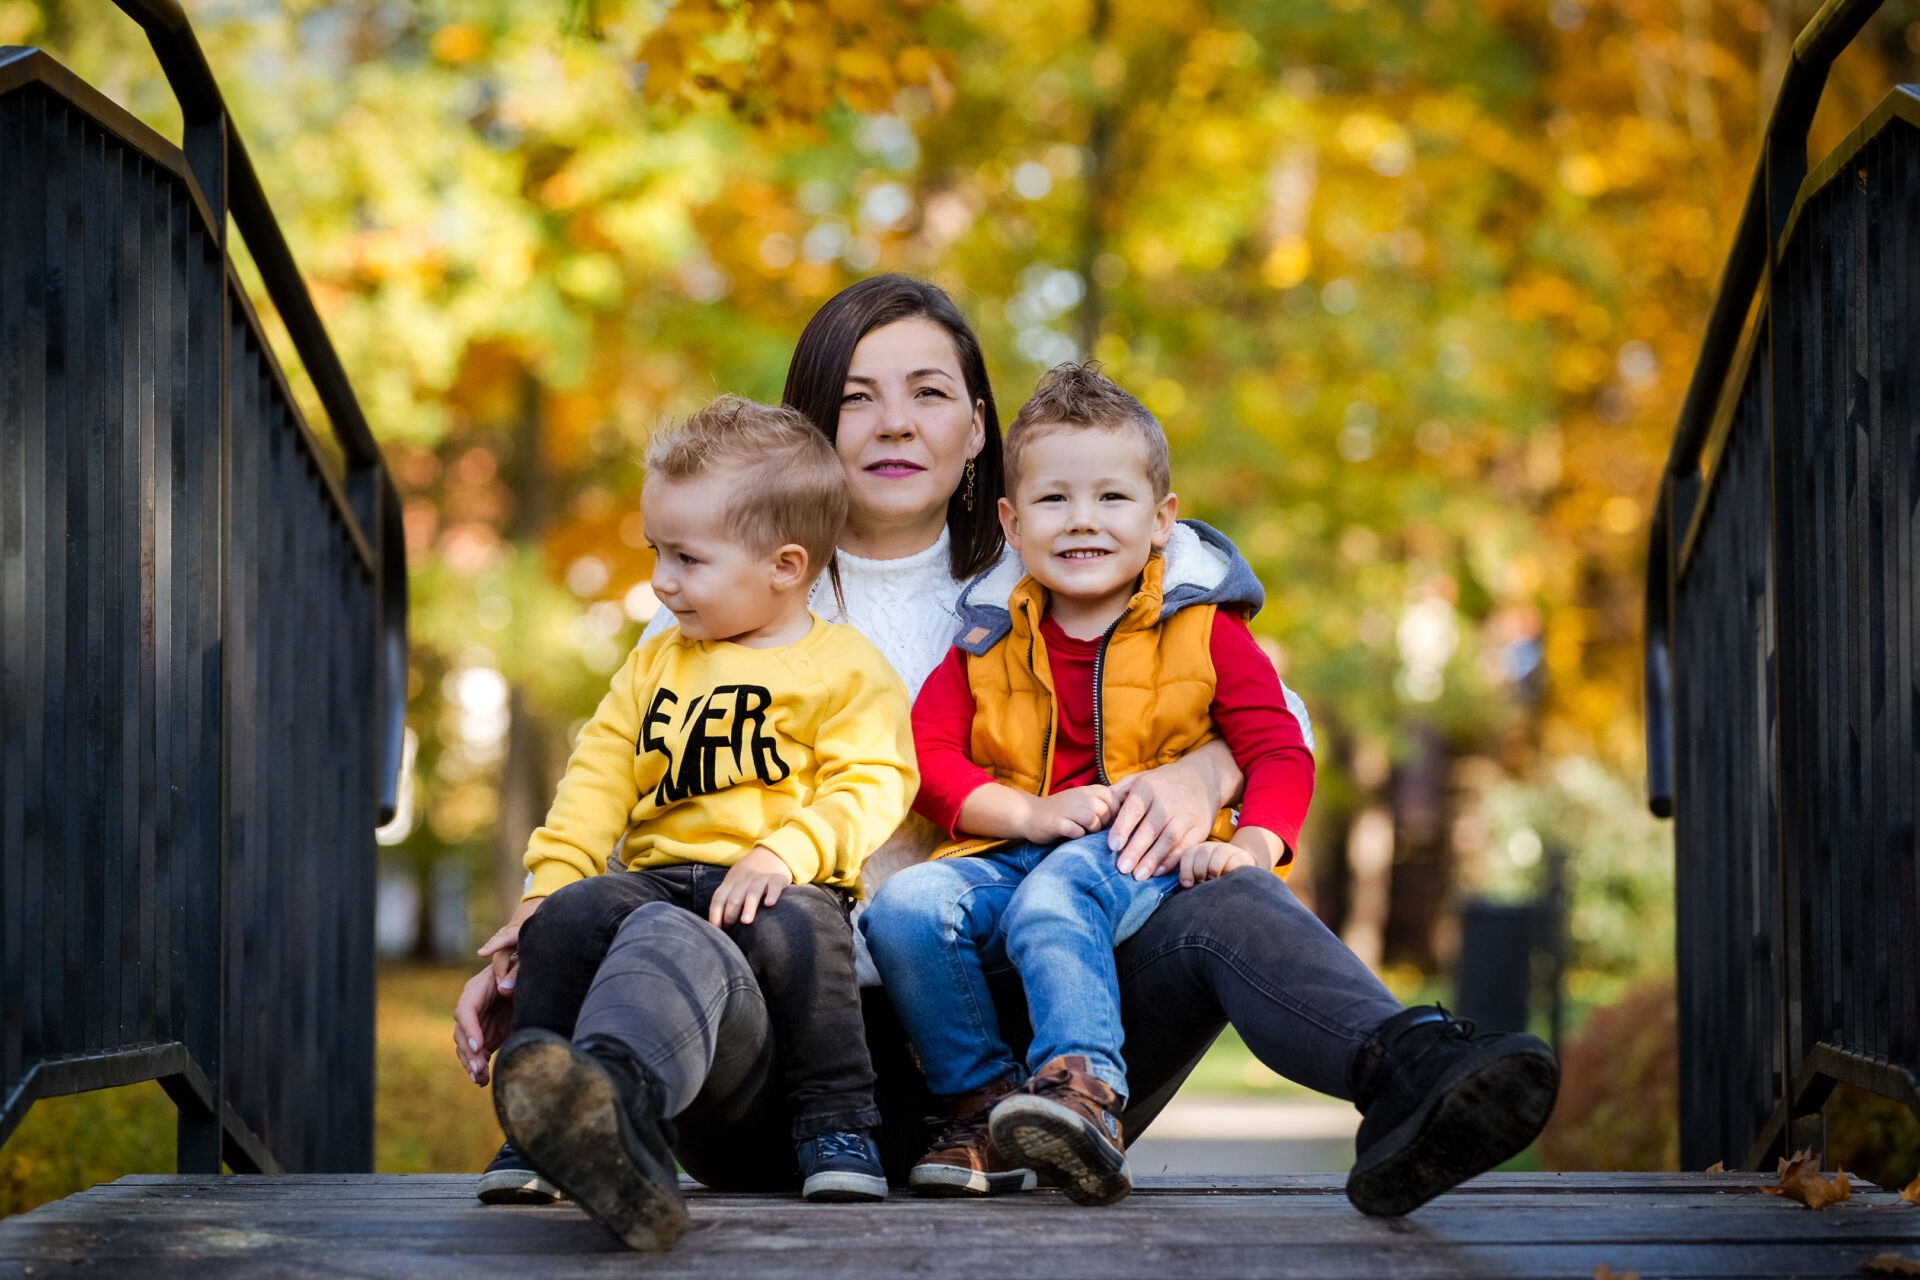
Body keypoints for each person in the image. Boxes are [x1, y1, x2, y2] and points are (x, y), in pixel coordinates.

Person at [455, 273, 1558, 1226]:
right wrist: (532, 946)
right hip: (782, 1053)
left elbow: (1273, 713)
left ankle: (1409, 1079)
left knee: (1213, 892)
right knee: (673, 920)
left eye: (929, 393)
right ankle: (603, 1118)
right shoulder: (717, 596)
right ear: (810, 429)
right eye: (857, 398)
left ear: (979, 428)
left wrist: (1203, 772)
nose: (894, 424)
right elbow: (612, 784)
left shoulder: (1050, 560)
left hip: (1032, 1044)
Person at [862, 363, 1315, 1206]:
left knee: (1058, 894)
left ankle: (1086, 1093)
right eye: (1053, 499)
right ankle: (984, 1108)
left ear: (1161, 519)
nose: (1082, 520)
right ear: (1011, 522)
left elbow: (1278, 747)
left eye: (1111, 498)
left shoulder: (1204, 630)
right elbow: (928, 756)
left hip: (1131, 849)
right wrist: (1028, 813)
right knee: (906, 906)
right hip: (1014, 846)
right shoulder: (987, 636)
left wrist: (1254, 844)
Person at [482, 395, 918, 1250]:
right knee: (565, 919)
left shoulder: (842, 665)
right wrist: (548, 884)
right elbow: (600, 772)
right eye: (657, 551)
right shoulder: (656, 661)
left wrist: (787, 851)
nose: (662, 580)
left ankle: (837, 1125)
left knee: (808, 932)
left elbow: (875, 780)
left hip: (769, 881)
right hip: (654, 880)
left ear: (785, 565)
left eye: (687, 558)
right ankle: (541, 1126)